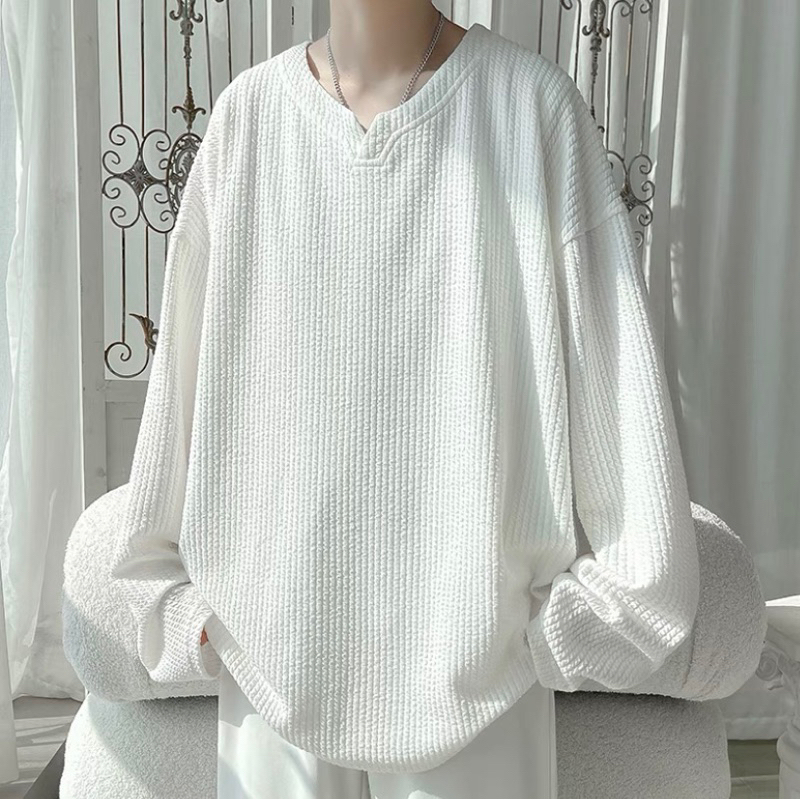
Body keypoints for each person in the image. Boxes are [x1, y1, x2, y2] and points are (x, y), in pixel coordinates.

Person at [110, 2, 701, 798]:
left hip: (479, 674)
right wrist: (184, 614)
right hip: (267, 662)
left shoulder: (530, 109)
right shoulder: (248, 118)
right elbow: (181, 385)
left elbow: (615, 390)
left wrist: (570, 627)